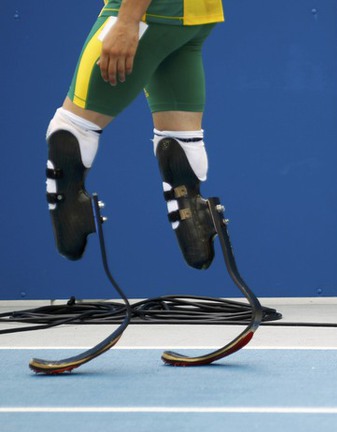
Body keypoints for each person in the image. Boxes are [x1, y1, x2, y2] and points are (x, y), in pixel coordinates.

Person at [45, 0, 224, 269]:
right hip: (195, 15)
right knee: (179, 141)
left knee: (71, 130)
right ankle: (196, 234)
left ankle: (71, 239)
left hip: (151, 12)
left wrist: (127, 21)